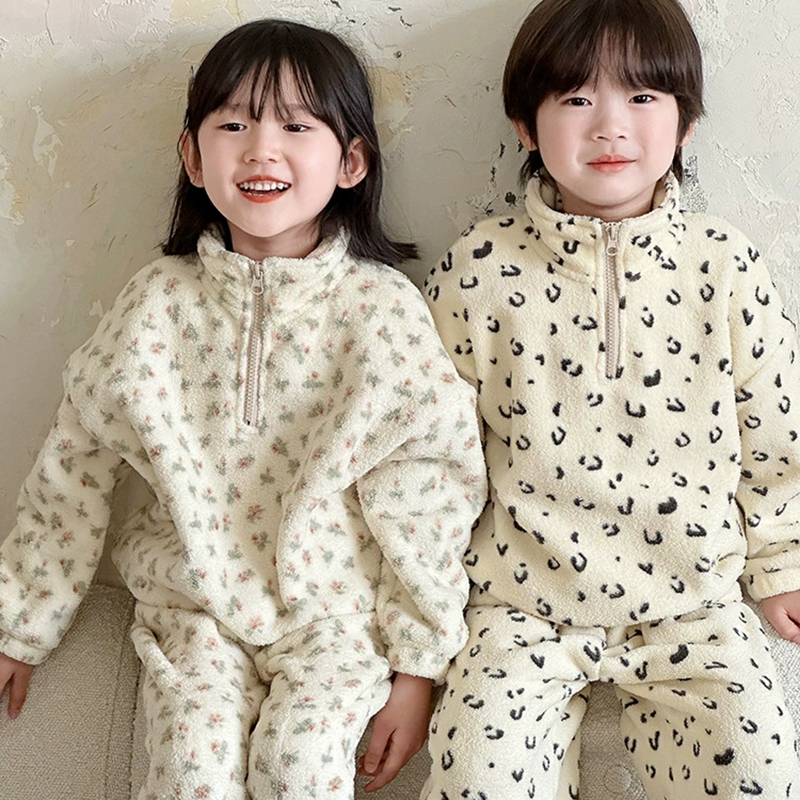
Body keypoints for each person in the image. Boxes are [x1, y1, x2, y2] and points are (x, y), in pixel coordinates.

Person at [0, 19, 486, 800]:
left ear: (352, 160)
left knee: (299, 770)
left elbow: (430, 493)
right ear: (193, 157)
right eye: (233, 125)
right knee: (191, 771)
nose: (262, 150)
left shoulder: (381, 312)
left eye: (296, 126)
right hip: (194, 613)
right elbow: (73, 462)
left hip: (336, 621)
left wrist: (418, 668)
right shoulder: (156, 304)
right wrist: (21, 625)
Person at [422, 0, 800, 797]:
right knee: (474, 777)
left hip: (693, 602)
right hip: (520, 608)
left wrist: (783, 561)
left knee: (761, 770)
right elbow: (430, 459)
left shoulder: (722, 264)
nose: (609, 127)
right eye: (576, 98)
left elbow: (776, 426)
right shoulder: (478, 271)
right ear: (525, 125)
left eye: (642, 96)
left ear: (685, 123)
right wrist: (420, 628)